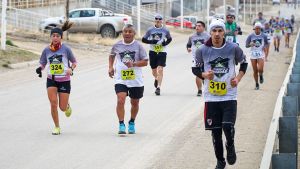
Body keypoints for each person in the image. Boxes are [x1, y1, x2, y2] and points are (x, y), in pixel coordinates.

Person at [195, 19, 248, 169]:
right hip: (211, 97)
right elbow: (195, 69)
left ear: (224, 32)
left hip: (229, 95)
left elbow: (244, 63)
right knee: (216, 133)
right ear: (210, 32)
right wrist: (205, 75)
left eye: (220, 31)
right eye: (214, 31)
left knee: (227, 126)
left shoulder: (233, 48)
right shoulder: (202, 50)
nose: (217, 34)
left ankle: (230, 144)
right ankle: (220, 161)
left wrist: (237, 78)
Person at [35, 21, 76, 135]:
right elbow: (43, 63)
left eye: (58, 36)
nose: (55, 38)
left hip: (64, 80)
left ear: (61, 37)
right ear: (51, 37)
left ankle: (67, 106)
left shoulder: (66, 49)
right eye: (53, 36)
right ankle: (57, 127)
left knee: (62, 108)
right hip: (51, 79)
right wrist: (40, 68)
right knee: (53, 103)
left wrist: (71, 69)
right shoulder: (46, 50)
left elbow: (74, 62)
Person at [108, 24, 148, 135]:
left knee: (135, 103)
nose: (127, 33)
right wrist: (110, 67)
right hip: (121, 78)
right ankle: (121, 124)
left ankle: (131, 122)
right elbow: (111, 55)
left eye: (130, 31)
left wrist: (134, 63)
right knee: (120, 100)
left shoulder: (138, 46)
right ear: (122, 33)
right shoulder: (117, 45)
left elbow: (145, 62)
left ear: (134, 34)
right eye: (125, 31)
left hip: (135, 79)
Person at [142, 14, 172, 96]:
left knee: (160, 69)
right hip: (153, 51)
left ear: (162, 20)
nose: (158, 20)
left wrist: (165, 43)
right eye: (156, 19)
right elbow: (143, 39)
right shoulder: (150, 30)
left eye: (159, 19)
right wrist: (152, 41)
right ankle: (156, 78)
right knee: (154, 70)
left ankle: (158, 88)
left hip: (162, 51)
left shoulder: (165, 30)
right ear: (154, 20)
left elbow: (170, 39)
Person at [186, 21, 210, 96]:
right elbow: (188, 44)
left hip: (206, 58)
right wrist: (189, 48)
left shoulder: (208, 36)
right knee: (198, 74)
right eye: (196, 26)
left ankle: (207, 89)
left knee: (206, 73)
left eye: (199, 26)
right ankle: (199, 90)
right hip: (196, 58)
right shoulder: (192, 36)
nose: (197, 27)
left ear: (203, 27)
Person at [246, 22, 269, 90]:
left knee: (260, 69)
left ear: (261, 29)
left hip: (260, 53)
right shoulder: (250, 36)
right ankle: (256, 84)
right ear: (254, 29)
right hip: (253, 54)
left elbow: (266, 43)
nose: (257, 30)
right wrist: (250, 44)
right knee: (255, 71)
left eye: (259, 28)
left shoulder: (264, 36)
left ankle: (261, 75)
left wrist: (264, 47)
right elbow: (246, 45)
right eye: (256, 28)